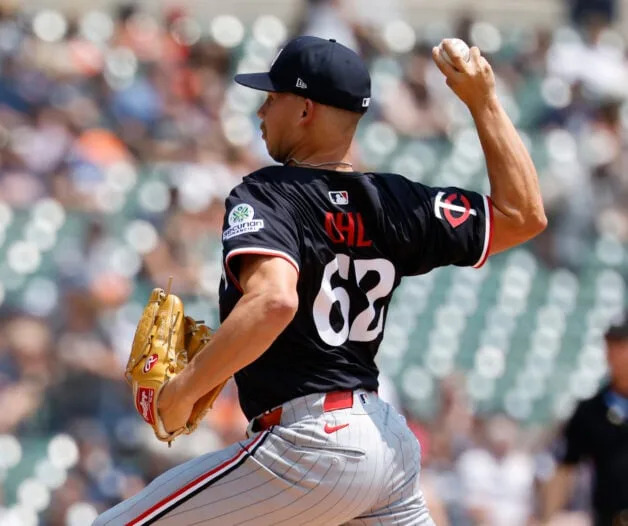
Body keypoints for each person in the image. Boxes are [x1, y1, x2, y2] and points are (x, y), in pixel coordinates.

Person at [94, 36, 546, 525]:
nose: (262, 111)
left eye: (273, 97)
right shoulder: (394, 201)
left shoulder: (268, 194)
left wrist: (182, 390)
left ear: (305, 109)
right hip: (385, 442)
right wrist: (484, 103)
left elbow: (274, 302)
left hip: (310, 446)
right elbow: (522, 215)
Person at [541, 316, 628, 526]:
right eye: (611, 347)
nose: (615, 355)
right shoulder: (591, 411)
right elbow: (565, 467)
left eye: (622, 346)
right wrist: (548, 519)